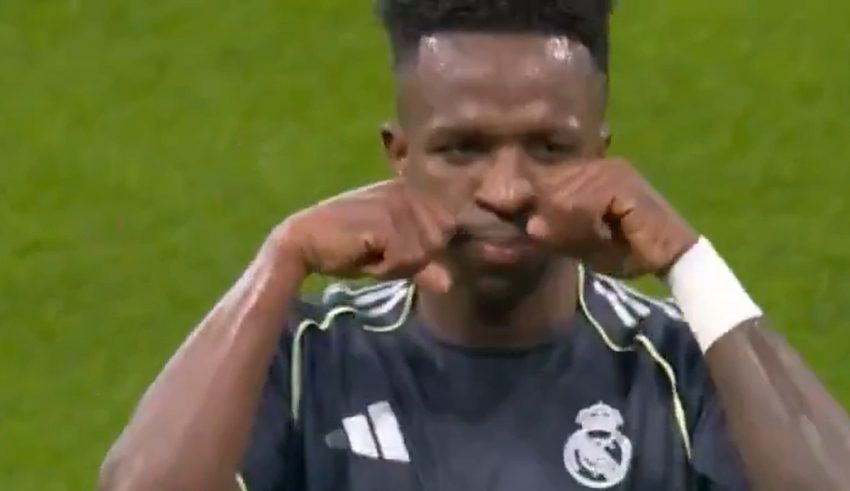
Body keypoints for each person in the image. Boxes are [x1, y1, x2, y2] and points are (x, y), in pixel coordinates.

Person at [98, 0, 850, 490]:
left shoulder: (679, 362)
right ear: (400, 156)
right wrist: (281, 257)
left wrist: (691, 263)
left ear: (600, 155)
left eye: (550, 148)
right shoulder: (306, 355)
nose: (507, 190)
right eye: (463, 148)